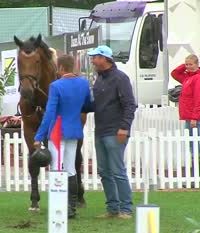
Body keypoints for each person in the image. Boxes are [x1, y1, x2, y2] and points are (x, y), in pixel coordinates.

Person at [34, 54, 92, 219]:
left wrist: (39, 135)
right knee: (71, 169)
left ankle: (58, 207)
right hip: (74, 130)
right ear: (73, 66)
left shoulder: (56, 86)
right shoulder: (83, 83)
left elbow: (50, 112)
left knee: (56, 169)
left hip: (57, 131)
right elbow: (88, 105)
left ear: (59, 68)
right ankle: (71, 208)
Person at [88, 45, 137, 219]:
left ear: (104, 58)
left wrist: (124, 127)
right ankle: (112, 208)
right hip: (100, 130)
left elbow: (130, 104)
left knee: (117, 171)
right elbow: (96, 105)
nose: (93, 60)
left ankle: (125, 209)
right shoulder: (99, 79)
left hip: (116, 131)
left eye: (95, 57)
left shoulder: (120, 78)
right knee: (104, 171)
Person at [171, 54, 200, 175]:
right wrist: (185, 65)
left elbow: (199, 99)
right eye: (186, 64)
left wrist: (195, 117)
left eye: (190, 64)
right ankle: (197, 170)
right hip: (188, 115)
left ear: (197, 64)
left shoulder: (198, 78)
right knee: (191, 142)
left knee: (193, 143)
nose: (188, 67)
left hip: (194, 116)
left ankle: (198, 171)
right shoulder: (187, 78)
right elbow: (174, 73)